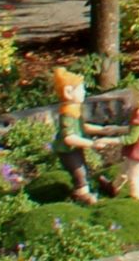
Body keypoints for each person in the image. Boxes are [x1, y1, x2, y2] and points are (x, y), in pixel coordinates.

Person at [51, 68, 99, 202]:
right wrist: (92, 144)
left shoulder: (74, 110)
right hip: (67, 151)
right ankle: (82, 196)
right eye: (81, 89)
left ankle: (83, 192)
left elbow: (81, 127)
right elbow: (69, 138)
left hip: (75, 149)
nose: (84, 92)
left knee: (83, 168)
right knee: (79, 171)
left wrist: (103, 129)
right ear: (68, 92)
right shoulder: (67, 113)